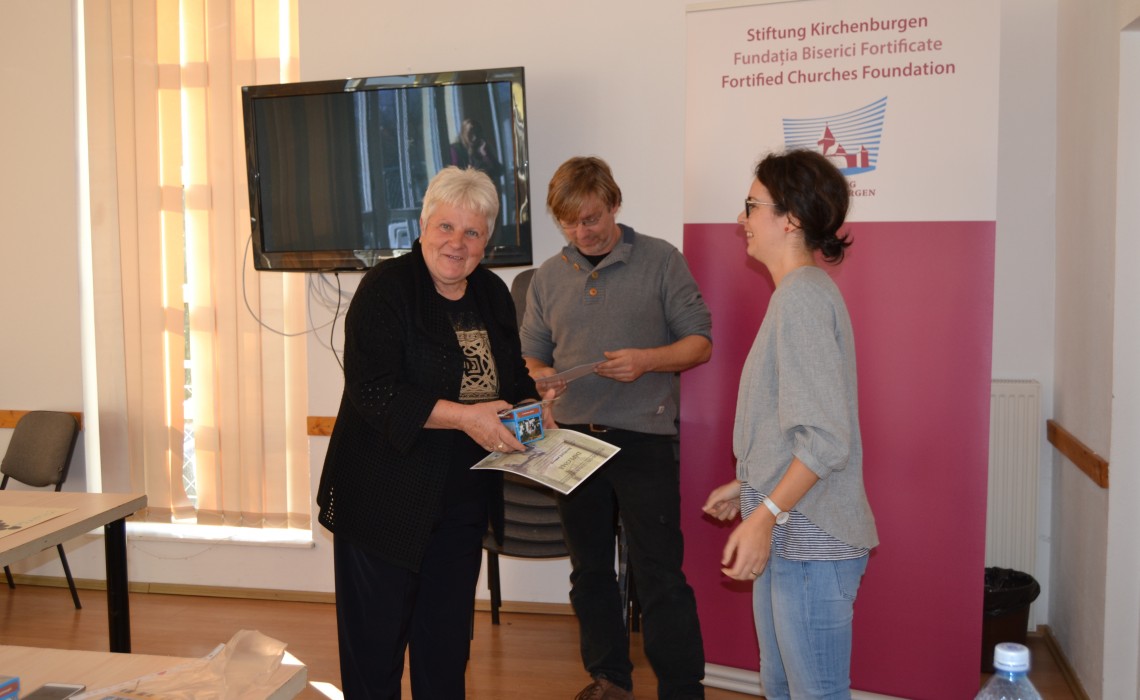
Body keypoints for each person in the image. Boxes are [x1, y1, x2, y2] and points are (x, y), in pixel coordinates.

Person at [317, 166, 548, 699]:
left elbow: (512, 379)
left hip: (461, 506)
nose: (456, 243)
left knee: (445, 653)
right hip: (381, 502)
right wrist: (466, 417)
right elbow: (374, 391)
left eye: (472, 232)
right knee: (374, 656)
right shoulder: (386, 289)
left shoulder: (492, 293)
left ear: (486, 241)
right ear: (422, 227)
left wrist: (536, 409)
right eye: (446, 227)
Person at [520, 156, 712, 700]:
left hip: (643, 438)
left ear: (614, 205)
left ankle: (682, 688)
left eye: (592, 218)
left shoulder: (661, 260)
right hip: (572, 440)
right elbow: (530, 355)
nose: (583, 232)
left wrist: (647, 361)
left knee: (659, 572)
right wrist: (542, 379)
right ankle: (609, 680)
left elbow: (700, 343)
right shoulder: (548, 277)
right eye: (570, 223)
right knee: (589, 572)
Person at [702, 149, 879, 700]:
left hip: (809, 538)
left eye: (752, 205)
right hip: (790, 529)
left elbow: (825, 440)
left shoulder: (802, 297)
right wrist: (748, 486)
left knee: (813, 693)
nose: (742, 219)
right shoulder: (797, 295)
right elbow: (795, 429)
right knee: (781, 687)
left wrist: (763, 517)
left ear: (791, 218)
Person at [449, 117, 503, 182]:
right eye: (470, 134)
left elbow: (499, 171)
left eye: (477, 133)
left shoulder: (482, 148)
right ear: (464, 134)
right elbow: (454, 175)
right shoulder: (456, 149)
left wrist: (486, 154)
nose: (474, 138)